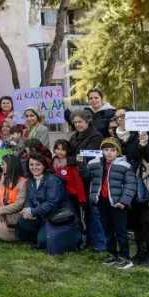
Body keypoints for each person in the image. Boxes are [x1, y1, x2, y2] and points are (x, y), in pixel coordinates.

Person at [112, 106, 149, 266]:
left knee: (146, 217)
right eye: (117, 117)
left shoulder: (144, 132)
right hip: (125, 182)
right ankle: (140, 251)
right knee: (134, 218)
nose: (120, 119)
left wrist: (144, 144)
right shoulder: (115, 136)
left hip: (141, 181)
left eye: (123, 116)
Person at [81, 137, 137, 269]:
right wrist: (81, 165)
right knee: (107, 230)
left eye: (112, 150)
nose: (109, 153)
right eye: (106, 150)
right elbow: (86, 177)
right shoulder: (94, 164)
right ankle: (112, 254)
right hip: (102, 202)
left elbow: (130, 185)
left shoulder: (125, 166)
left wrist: (123, 201)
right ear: (102, 151)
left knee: (120, 231)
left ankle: (124, 257)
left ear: (118, 152)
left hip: (118, 204)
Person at [67, 109, 106, 252]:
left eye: (80, 122)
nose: (77, 124)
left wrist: (68, 160)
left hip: (91, 177)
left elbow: (87, 156)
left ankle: (100, 242)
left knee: (94, 210)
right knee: (84, 211)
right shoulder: (74, 136)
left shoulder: (96, 136)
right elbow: (74, 154)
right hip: (77, 178)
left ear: (88, 121)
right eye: (75, 122)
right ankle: (88, 239)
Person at [0, 154, 27, 242]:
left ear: (10, 165)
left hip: (15, 213)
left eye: (3, 164)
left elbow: (19, 205)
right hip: (4, 210)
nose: (1, 166)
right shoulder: (4, 178)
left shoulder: (23, 182)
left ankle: (15, 235)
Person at [53, 140, 86, 226]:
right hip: (59, 195)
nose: (60, 152)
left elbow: (79, 183)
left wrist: (82, 199)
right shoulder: (54, 163)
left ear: (68, 151)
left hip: (72, 196)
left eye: (63, 150)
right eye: (58, 149)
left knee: (75, 216)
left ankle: (79, 230)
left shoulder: (72, 165)